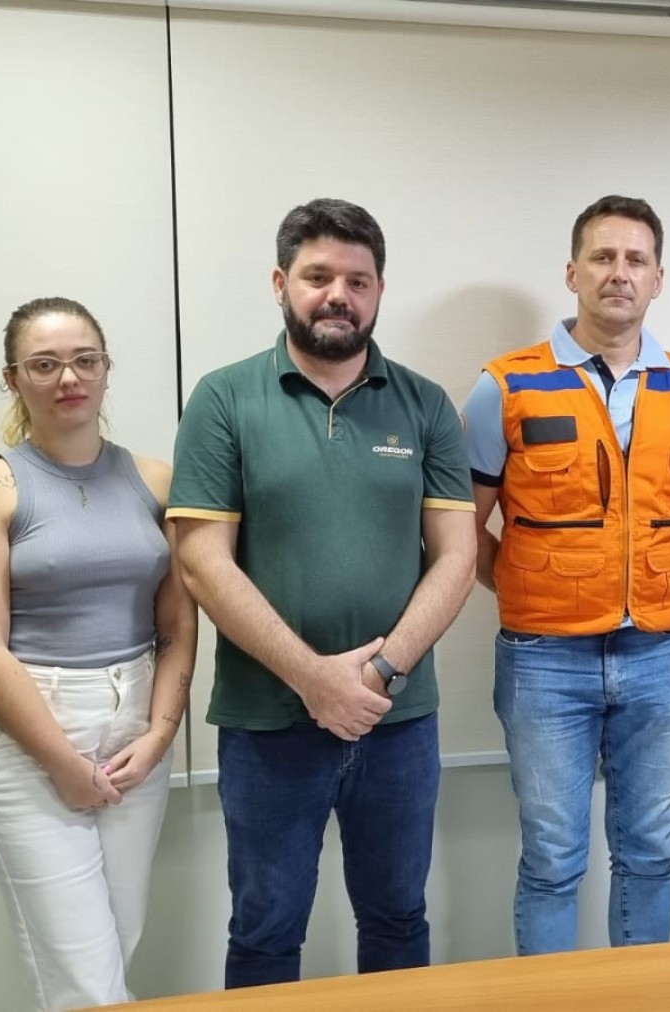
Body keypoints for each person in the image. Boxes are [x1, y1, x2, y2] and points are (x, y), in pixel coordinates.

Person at [169, 199, 476, 986]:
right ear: (281, 284)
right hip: (268, 723)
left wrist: (379, 674)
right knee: (266, 931)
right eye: (317, 276)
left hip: (396, 721)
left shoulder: (425, 405)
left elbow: (457, 557)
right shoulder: (224, 398)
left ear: (379, 292)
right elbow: (202, 561)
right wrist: (313, 678)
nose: (338, 294)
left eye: (357, 280)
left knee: (397, 917)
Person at [463, 194, 670, 954]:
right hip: (544, 660)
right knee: (552, 858)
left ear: (658, 279)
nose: (620, 273)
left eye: (636, 259)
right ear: (572, 272)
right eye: (603, 257)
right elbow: (459, 531)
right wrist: (534, 582)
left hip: (660, 654)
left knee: (651, 851)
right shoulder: (505, 386)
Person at [0, 297, 196, 1009]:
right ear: (12, 378)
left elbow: (178, 627)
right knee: (86, 982)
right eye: (45, 364)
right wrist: (61, 761)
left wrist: (159, 737)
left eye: (86, 360)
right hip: (29, 740)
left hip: (137, 731)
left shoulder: (155, 480)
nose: (69, 378)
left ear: (107, 368)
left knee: (117, 944)